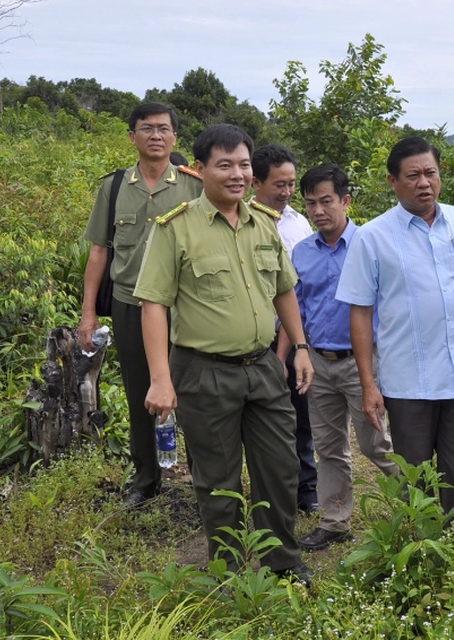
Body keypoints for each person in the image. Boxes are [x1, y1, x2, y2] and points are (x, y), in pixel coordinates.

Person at [133, 124, 314, 584]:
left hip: (264, 367)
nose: (237, 174)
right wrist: (160, 378)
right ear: (199, 169)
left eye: (244, 164)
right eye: (225, 165)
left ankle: (282, 563)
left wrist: (301, 348)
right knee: (218, 481)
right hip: (204, 371)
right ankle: (229, 571)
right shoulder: (175, 228)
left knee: (280, 468)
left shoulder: (264, 224)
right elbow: (154, 304)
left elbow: (284, 290)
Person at [335, 136, 454, 515]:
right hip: (408, 385)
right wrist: (368, 385)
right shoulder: (373, 237)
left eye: (431, 173)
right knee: (415, 482)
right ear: (393, 182)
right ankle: (420, 559)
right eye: (413, 176)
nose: (424, 182)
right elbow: (359, 313)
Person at [79, 102, 203, 505]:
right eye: (146, 128)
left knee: (194, 392)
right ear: (132, 136)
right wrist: (88, 312)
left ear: (174, 138)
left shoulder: (193, 185)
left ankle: (206, 478)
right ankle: (146, 481)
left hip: (184, 307)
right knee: (140, 393)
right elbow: (99, 252)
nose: (155, 135)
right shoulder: (114, 187)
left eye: (163, 129)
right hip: (131, 302)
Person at [284, 163, 399, 551]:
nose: (319, 210)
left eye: (327, 201)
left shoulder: (372, 245)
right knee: (329, 447)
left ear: (346, 201)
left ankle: (417, 510)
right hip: (319, 361)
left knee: (375, 444)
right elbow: (294, 312)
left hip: (362, 363)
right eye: (311, 203)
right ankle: (335, 522)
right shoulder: (301, 252)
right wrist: (288, 357)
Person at [252, 143, 319, 514]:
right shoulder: (242, 220)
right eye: (280, 184)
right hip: (256, 336)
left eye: (292, 183)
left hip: (294, 335)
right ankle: (268, 488)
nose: (287, 192)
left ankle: (306, 487)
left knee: (300, 414)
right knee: (265, 418)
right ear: (256, 182)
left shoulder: (299, 222)